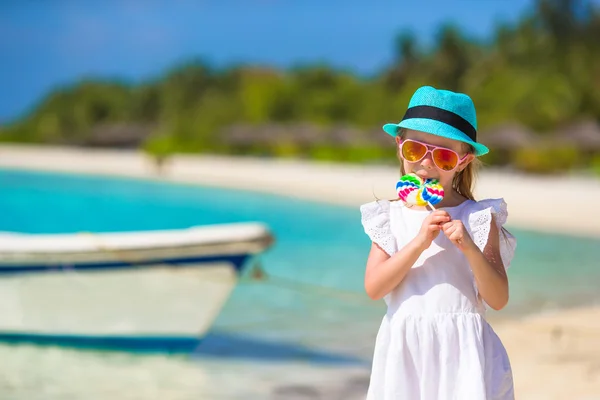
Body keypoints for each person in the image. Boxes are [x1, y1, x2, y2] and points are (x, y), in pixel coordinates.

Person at [360, 86, 517, 399]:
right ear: (400, 146)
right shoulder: (389, 216)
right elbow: (374, 288)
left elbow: (498, 299)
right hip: (405, 355)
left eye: (443, 156)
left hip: (465, 356)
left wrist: (469, 248)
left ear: (462, 161)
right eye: (416, 151)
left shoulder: (479, 217)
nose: (426, 165)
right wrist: (419, 242)